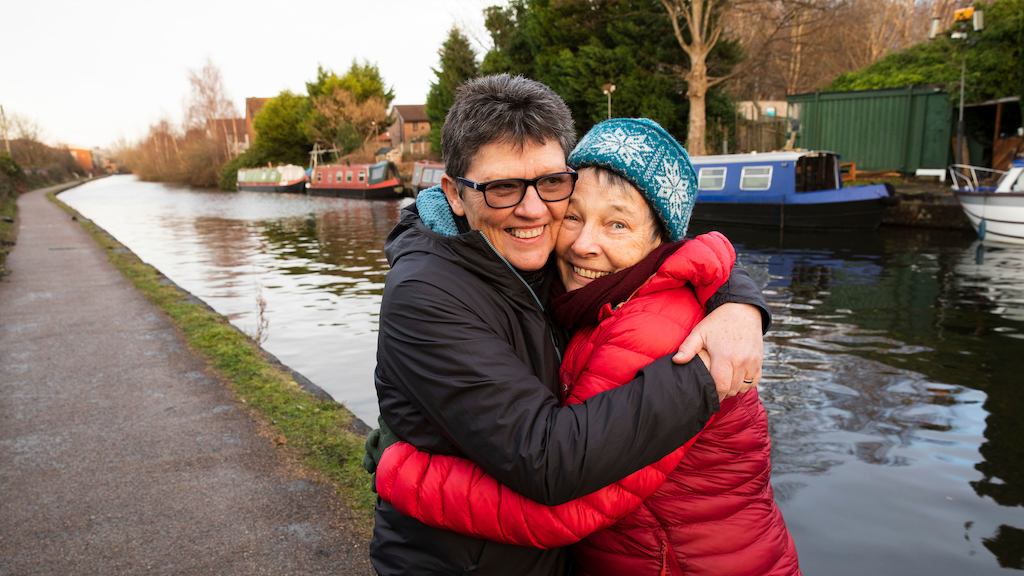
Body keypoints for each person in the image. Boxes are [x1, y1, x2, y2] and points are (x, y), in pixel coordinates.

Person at [370, 74, 769, 575]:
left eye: (551, 183)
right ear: (453, 194)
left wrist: (737, 301)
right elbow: (549, 460)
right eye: (501, 188)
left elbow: (691, 259)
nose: (534, 209)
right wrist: (707, 372)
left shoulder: (549, 270)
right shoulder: (430, 294)